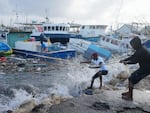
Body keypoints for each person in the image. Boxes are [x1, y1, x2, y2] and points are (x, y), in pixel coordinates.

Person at [120, 36, 150, 101]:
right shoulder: (140, 49)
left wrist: (126, 62)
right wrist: (124, 59)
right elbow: (133, 56)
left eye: (133, 45)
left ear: (136, 44)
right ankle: (129, 93)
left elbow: (134, 61)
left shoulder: (141, 51)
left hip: (147, 69)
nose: (132, 47)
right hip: (145, 67)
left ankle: (130, 97)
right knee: (131, 78)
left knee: (131, 79)